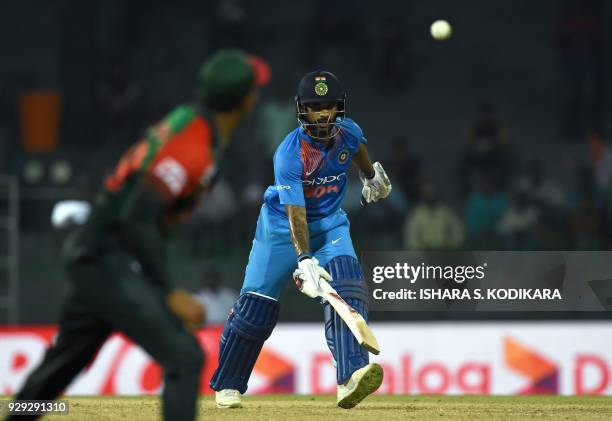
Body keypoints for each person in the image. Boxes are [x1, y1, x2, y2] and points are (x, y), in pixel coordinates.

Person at [7, 49, 267, 421]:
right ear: (246, 101)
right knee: (184, 356)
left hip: (100, 255)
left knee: (62, 365)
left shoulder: (190, 122)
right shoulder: (193, 146)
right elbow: (137, 218)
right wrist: (168, 292)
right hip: (105, 257)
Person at [210, 71, 391, 409]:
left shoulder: (348, 132)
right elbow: (296, 214)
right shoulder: (290, 154)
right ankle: (228, 385)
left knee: (348, 290)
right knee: (255, 310)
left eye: (329, 108)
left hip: (331, 224)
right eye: (314, 108)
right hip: (280, 229)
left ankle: (350, 377)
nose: (323, 116)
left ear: (340, 109)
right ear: (300, 111)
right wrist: (305, 259)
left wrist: (370, 177)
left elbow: (359, 150)